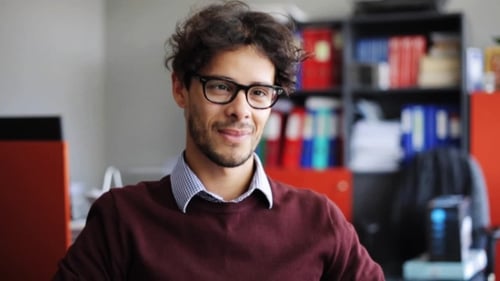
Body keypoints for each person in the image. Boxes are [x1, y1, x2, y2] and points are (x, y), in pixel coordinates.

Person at [53, 1, 384, 280]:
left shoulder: (318, 218)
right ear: (180, 89)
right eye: (221, 87)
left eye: (258, 92)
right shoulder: (120, 219)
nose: (240, 111)